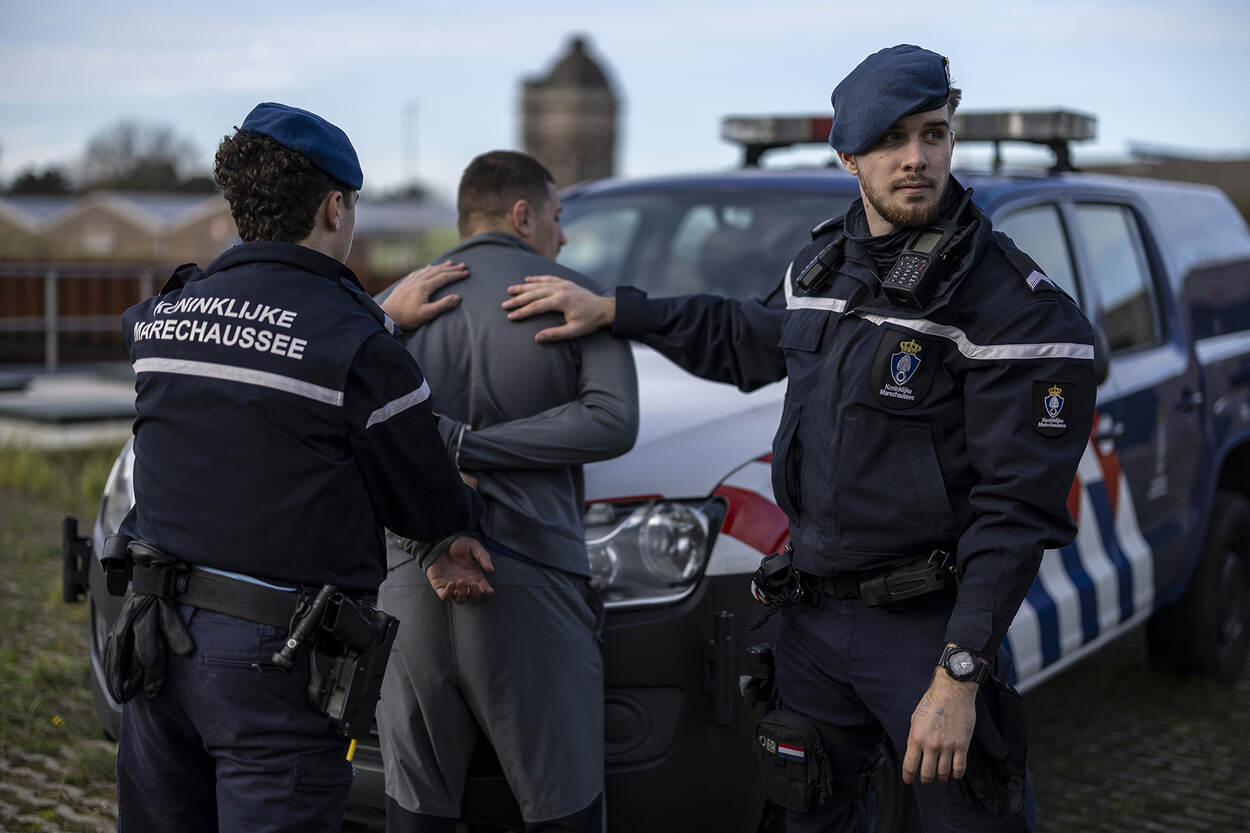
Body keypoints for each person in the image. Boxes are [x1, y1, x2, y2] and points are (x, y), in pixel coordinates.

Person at [496, 46, 1096, 832]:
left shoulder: (1013, 308)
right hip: (811, 620)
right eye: (890, 139)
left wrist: (960, 672)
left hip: (926, 630)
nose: (916, 158)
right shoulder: (823, 266)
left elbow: (1014, 513)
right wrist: (617, 310)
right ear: (848, 157)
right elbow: (744, 337)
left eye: (933, 133)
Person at [111, 102, 488, 833]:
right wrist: (457, 522)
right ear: (333, 207)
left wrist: (377, 314)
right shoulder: (360, 346)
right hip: (272, 665)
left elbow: (251, 348)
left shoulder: (161, 319)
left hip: (154, 641)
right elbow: (427, 503)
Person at [373, 150, 639, 833]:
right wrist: (467, 445)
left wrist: (445, 443)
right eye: (557, 217)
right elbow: (613, 421)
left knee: (414, 814)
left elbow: (336, 415)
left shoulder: (391, 310)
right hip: (531, 580)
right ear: (523, 215)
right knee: (563, 812)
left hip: (408, 584)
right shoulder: (578, 294)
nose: (563, 236)